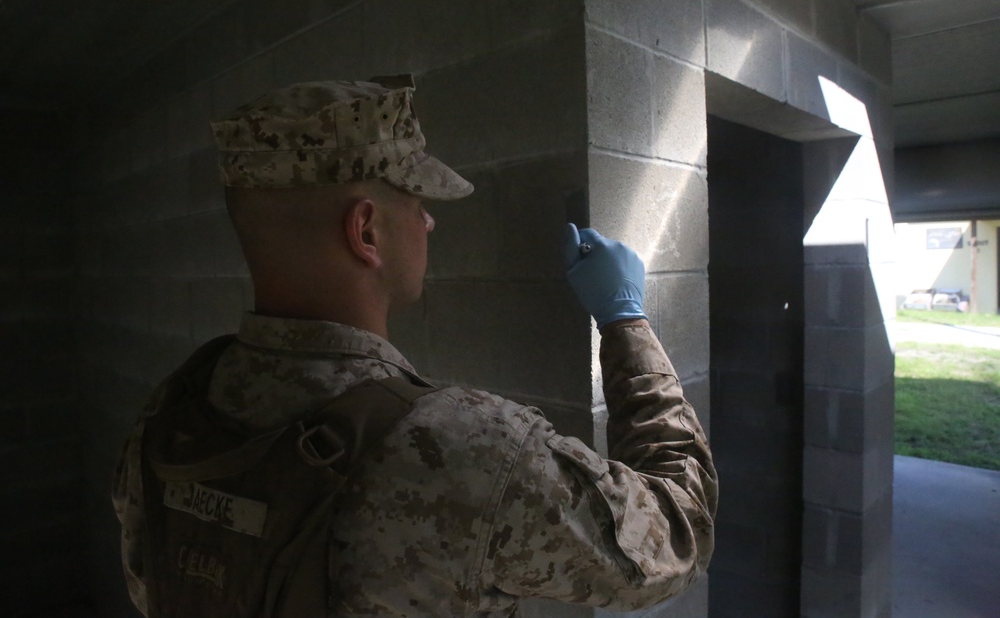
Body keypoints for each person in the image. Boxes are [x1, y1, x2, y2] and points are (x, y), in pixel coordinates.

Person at [113, 76, 718, 617]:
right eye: (419, 203)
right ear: (366, 230)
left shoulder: (172, 415)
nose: (429, 223)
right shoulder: (469, 452)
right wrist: (626, 322)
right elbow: (678, 535)